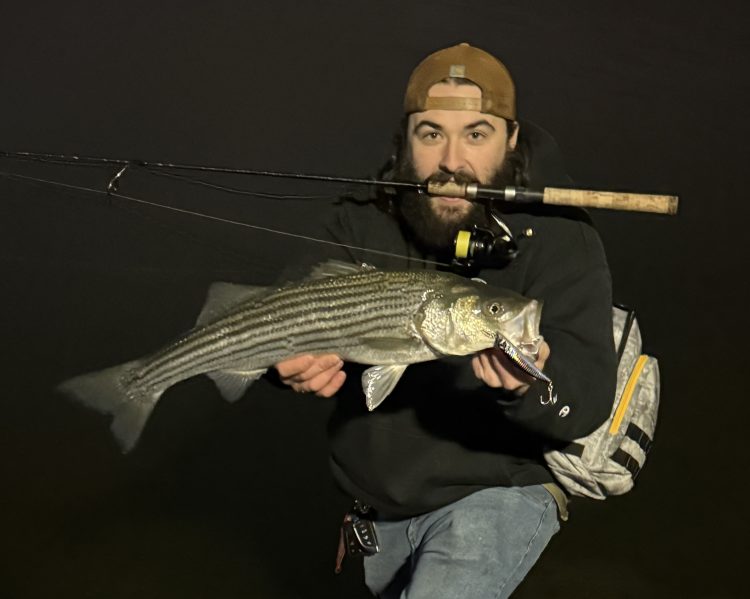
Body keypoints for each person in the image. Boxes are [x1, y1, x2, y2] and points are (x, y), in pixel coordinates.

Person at [275, 43, 617, 598]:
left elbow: (589, 394)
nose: (451, 160)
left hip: (496, 496)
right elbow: (280, 315)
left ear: (509, 139)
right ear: (405, 140)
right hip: (377, 508)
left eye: (476, 135)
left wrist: (530, 388)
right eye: (431, 134)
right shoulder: (359, 221)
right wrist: (281, 364)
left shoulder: (560, 237)